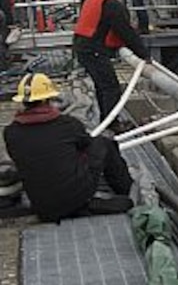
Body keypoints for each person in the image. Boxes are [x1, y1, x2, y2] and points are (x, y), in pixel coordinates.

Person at [3, 73, 133, 222]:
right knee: (104, 144)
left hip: (43, 207)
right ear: (48, 99)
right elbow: (87, 146)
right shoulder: (67, 124)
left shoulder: (11, 132)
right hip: (76, 199)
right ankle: (127, 190)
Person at [72, 0, 150, 124]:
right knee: (111, 87)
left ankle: (107, 120)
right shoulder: (111, 4)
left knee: (102, 85)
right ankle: (111, 123)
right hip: (92, 48)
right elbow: (126, 31)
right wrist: (144, 54)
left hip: (84, 45)